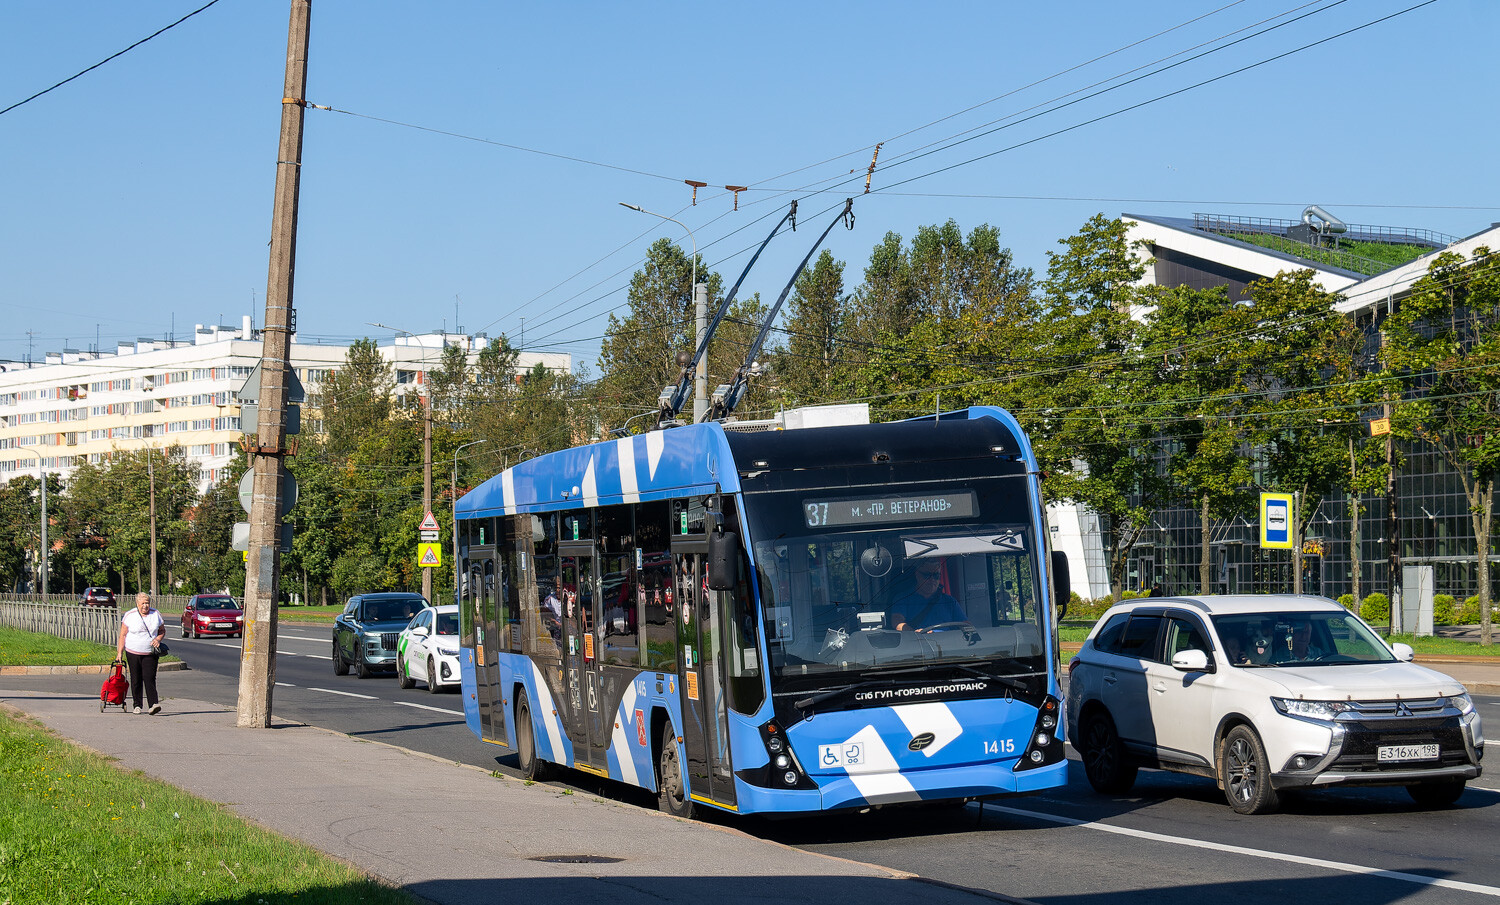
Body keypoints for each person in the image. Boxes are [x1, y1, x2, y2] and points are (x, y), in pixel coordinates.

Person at [115, 592, 166, 715]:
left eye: (147, 603)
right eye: (142, 603)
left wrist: (158, 639)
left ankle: (153, 704)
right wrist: (119, 653)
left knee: (149, 678)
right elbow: (122, 635)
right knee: (136, 678)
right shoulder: (130, 615)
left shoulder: (156, 614)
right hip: (133, 651)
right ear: (137, 604)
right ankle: (137, 705)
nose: (145, 606)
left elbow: (162, 631)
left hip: (150, 652)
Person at [891, 559, 966, 631]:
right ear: (917, 574)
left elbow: (966, 625)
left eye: (936, 575)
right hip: (918, 642)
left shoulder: (949, 601)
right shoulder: (903, 599)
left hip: (946, 643)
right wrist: (915, 634)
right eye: (927, 575)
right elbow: (897, 623)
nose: (932, 579)